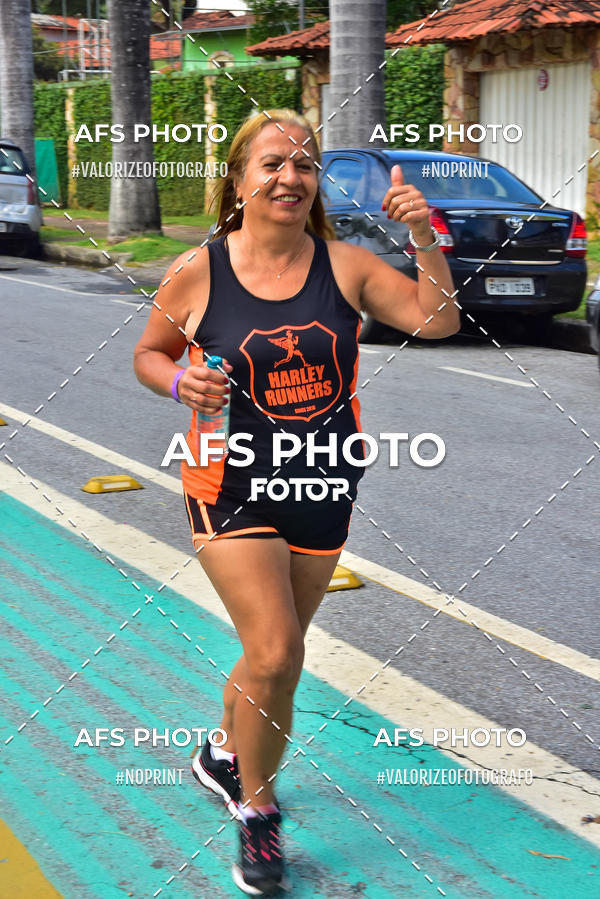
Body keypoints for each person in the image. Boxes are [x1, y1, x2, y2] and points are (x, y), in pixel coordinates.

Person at [133, 108, 458, 895]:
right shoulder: (199, 270)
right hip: (230, 483)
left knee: (266, 659)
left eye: (304, 165)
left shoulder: (344, 265)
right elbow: (150, 352)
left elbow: (440, 320)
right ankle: (257, 810)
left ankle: (221, 749)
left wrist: (424, 238)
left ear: (317, 183)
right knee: (279, 653)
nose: (288, 177)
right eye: (272, 163)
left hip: (324, 485)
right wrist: (181, 380)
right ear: (240, 179)